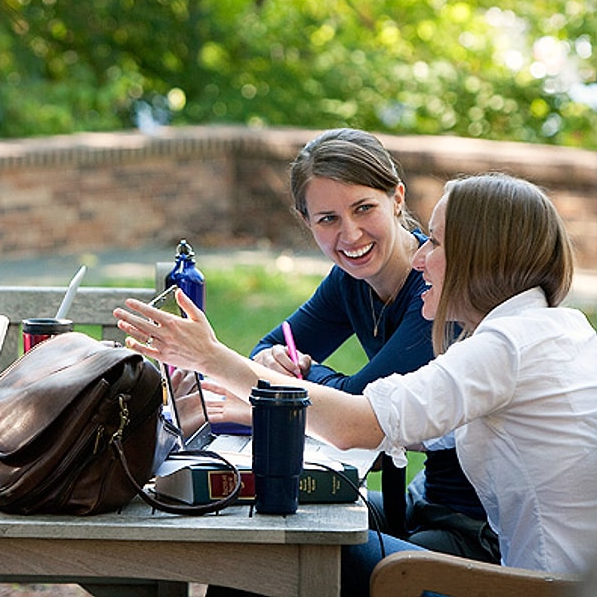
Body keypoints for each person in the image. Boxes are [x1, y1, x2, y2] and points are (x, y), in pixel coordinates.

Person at [116, 172, 597, 593]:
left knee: (277, 546)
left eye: (435, 243)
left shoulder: (507, 346)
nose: (420, 259)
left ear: (481, 256)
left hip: (531, 589)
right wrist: (267, 405)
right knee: (280, 520)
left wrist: (212, 357)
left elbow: (356, 424)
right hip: (537, 581)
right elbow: (402, 426)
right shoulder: (542, 331)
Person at [192, 128, 494, 561]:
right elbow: (266, 349)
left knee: (276, 550)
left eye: (363, 208)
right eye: (328, 219)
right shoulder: (349, 281)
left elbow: (358, 409)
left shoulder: (438, 288)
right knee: (253, 524)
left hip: (469, 527)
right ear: (307, 223)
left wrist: (299, 376)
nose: (350, 235)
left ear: (397, 199)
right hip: (419, 502)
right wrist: (273, 362)